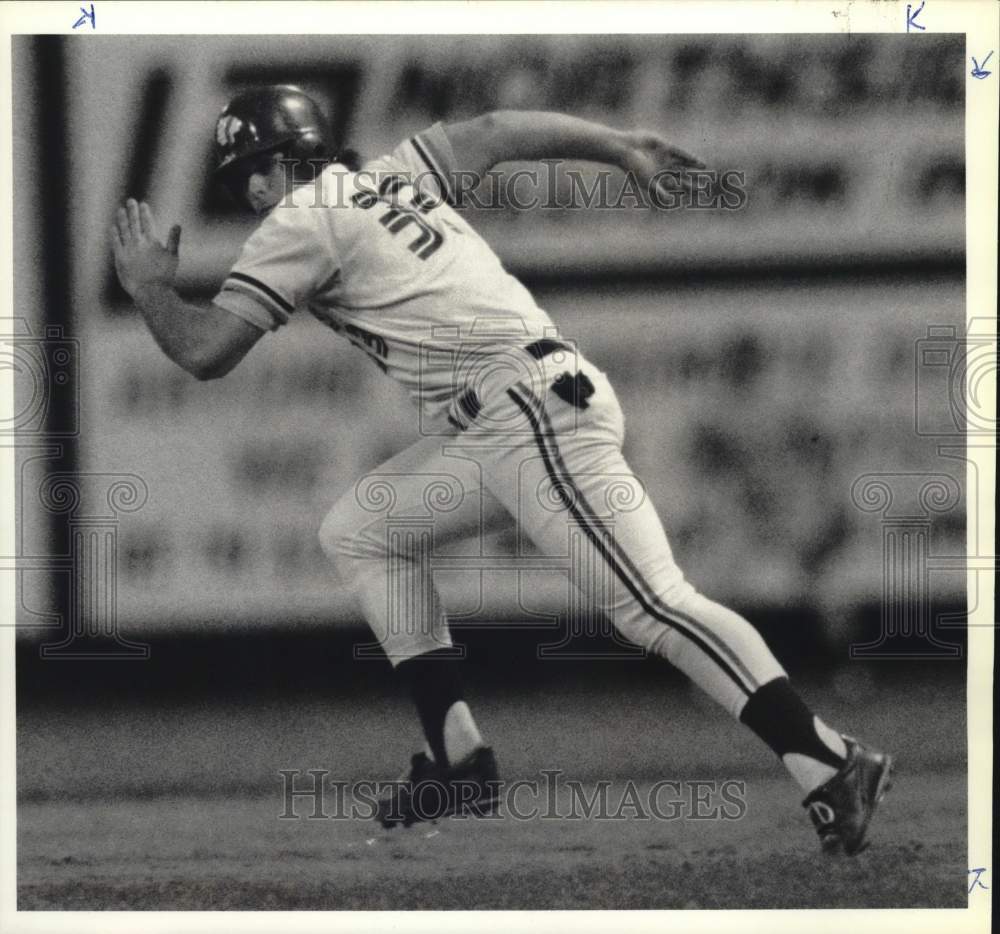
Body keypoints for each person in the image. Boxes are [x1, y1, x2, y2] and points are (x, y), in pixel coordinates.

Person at [111, 85, 893, 854]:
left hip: (528, 411)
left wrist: (149, 288)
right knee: (361, 530)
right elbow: (495, 129)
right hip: (510, 415)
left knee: (652, 606)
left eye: (248, 175)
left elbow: (205, 352)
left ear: (269, 169)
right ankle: (457, 756)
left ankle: (828, 759)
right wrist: (617, 144)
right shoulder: (391, 175)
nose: (249, 194)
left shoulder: (300, 217)